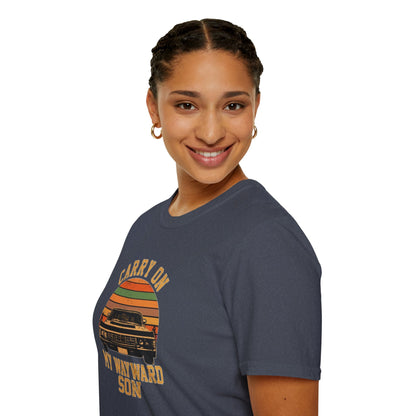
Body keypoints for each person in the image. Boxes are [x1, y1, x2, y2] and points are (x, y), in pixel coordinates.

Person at [93, 18, 322, 416]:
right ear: (154, 107)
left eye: (233, 105)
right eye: (187, 105)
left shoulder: (268, 245)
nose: (212, 132)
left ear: (255, 107)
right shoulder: (146, 227)